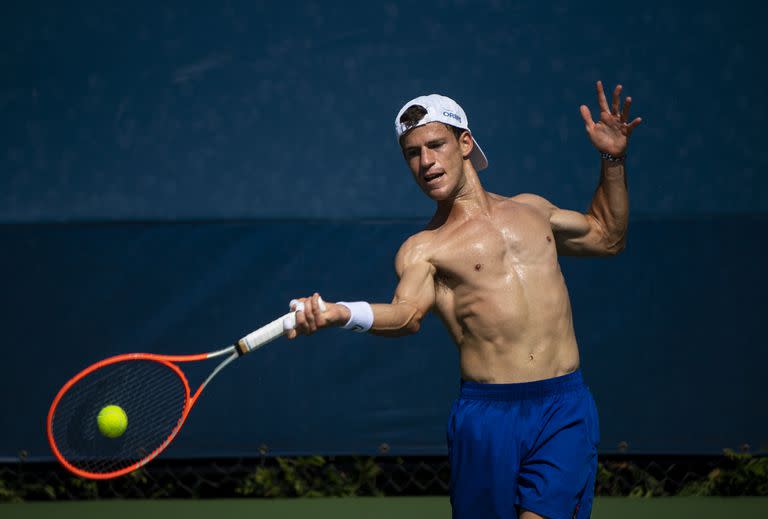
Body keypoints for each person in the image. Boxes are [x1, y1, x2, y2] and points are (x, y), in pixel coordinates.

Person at [287, 81, 641, 519]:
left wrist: (613, 159)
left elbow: (608, 237)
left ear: (465, 143)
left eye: (435, 145)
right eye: (412, 153)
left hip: (563, 405)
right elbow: (406, 315)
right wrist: (342, 313)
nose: (426, 162)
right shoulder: (423, 248)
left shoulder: (533, 211)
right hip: (487, 419)